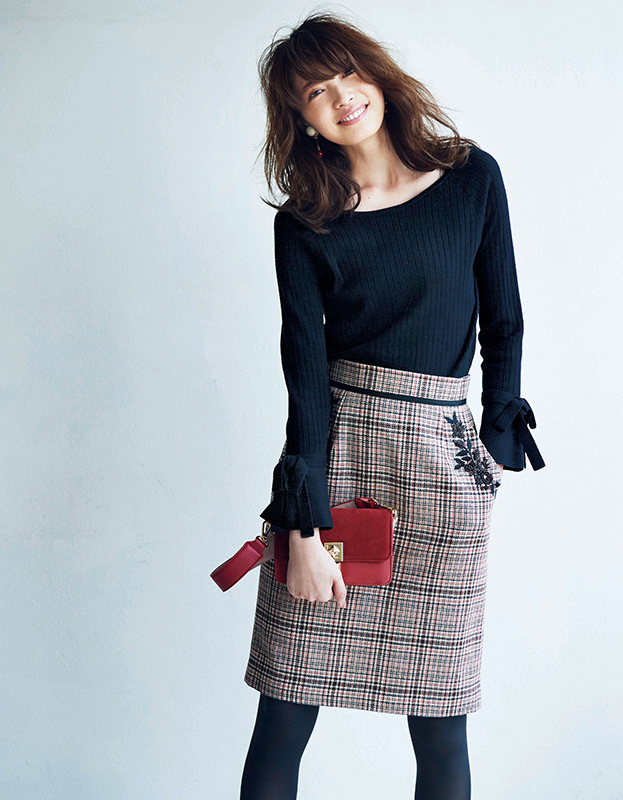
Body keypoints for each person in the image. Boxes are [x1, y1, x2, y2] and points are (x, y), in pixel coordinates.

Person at [239, 11, 545, 800]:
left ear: (375, 74)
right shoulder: (303, 224)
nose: (340, 95)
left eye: (347, 73)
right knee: (284, 711)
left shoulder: (472, 178)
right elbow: (305, 377)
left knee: (441, 725)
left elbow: (504, 319)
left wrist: (492, 452)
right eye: (315, 90)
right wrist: (302, 527)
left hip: (445, 465)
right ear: (301, 119)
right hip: (337, 457)